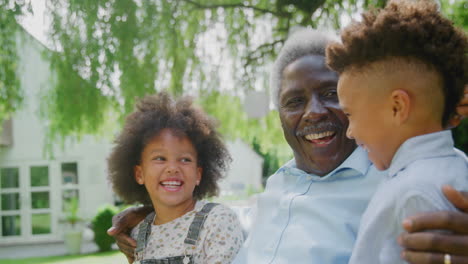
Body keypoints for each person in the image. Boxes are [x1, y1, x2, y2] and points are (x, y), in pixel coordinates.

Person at [108, 29, 468, 264]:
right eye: (294, 101)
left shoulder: (394, 177)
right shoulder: (280, 183)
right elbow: (236, 225)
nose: (313, 112)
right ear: (279, 114)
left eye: (330, 95)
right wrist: (160, 214)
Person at [326, 1, 468, 263]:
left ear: (397, 107)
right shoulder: (458, 163)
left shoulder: (414, 194)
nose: (349, 132)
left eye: (350, 115)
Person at [107, 93, 244, 264]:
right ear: (139, 174)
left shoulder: (217, 221)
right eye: (160, 158)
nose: (173, 168)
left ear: (198, 175)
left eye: (185, 159)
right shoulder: (138, 235)